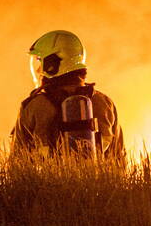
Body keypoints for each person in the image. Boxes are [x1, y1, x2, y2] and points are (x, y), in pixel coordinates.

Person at [11, 30, 124, 160]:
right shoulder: (104, 103)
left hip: (48, 181)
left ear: (52, 64)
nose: (38, 70)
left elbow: (17, 161)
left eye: (40, 61)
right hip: (99, 180)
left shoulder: (34, 106)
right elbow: (119, 160)